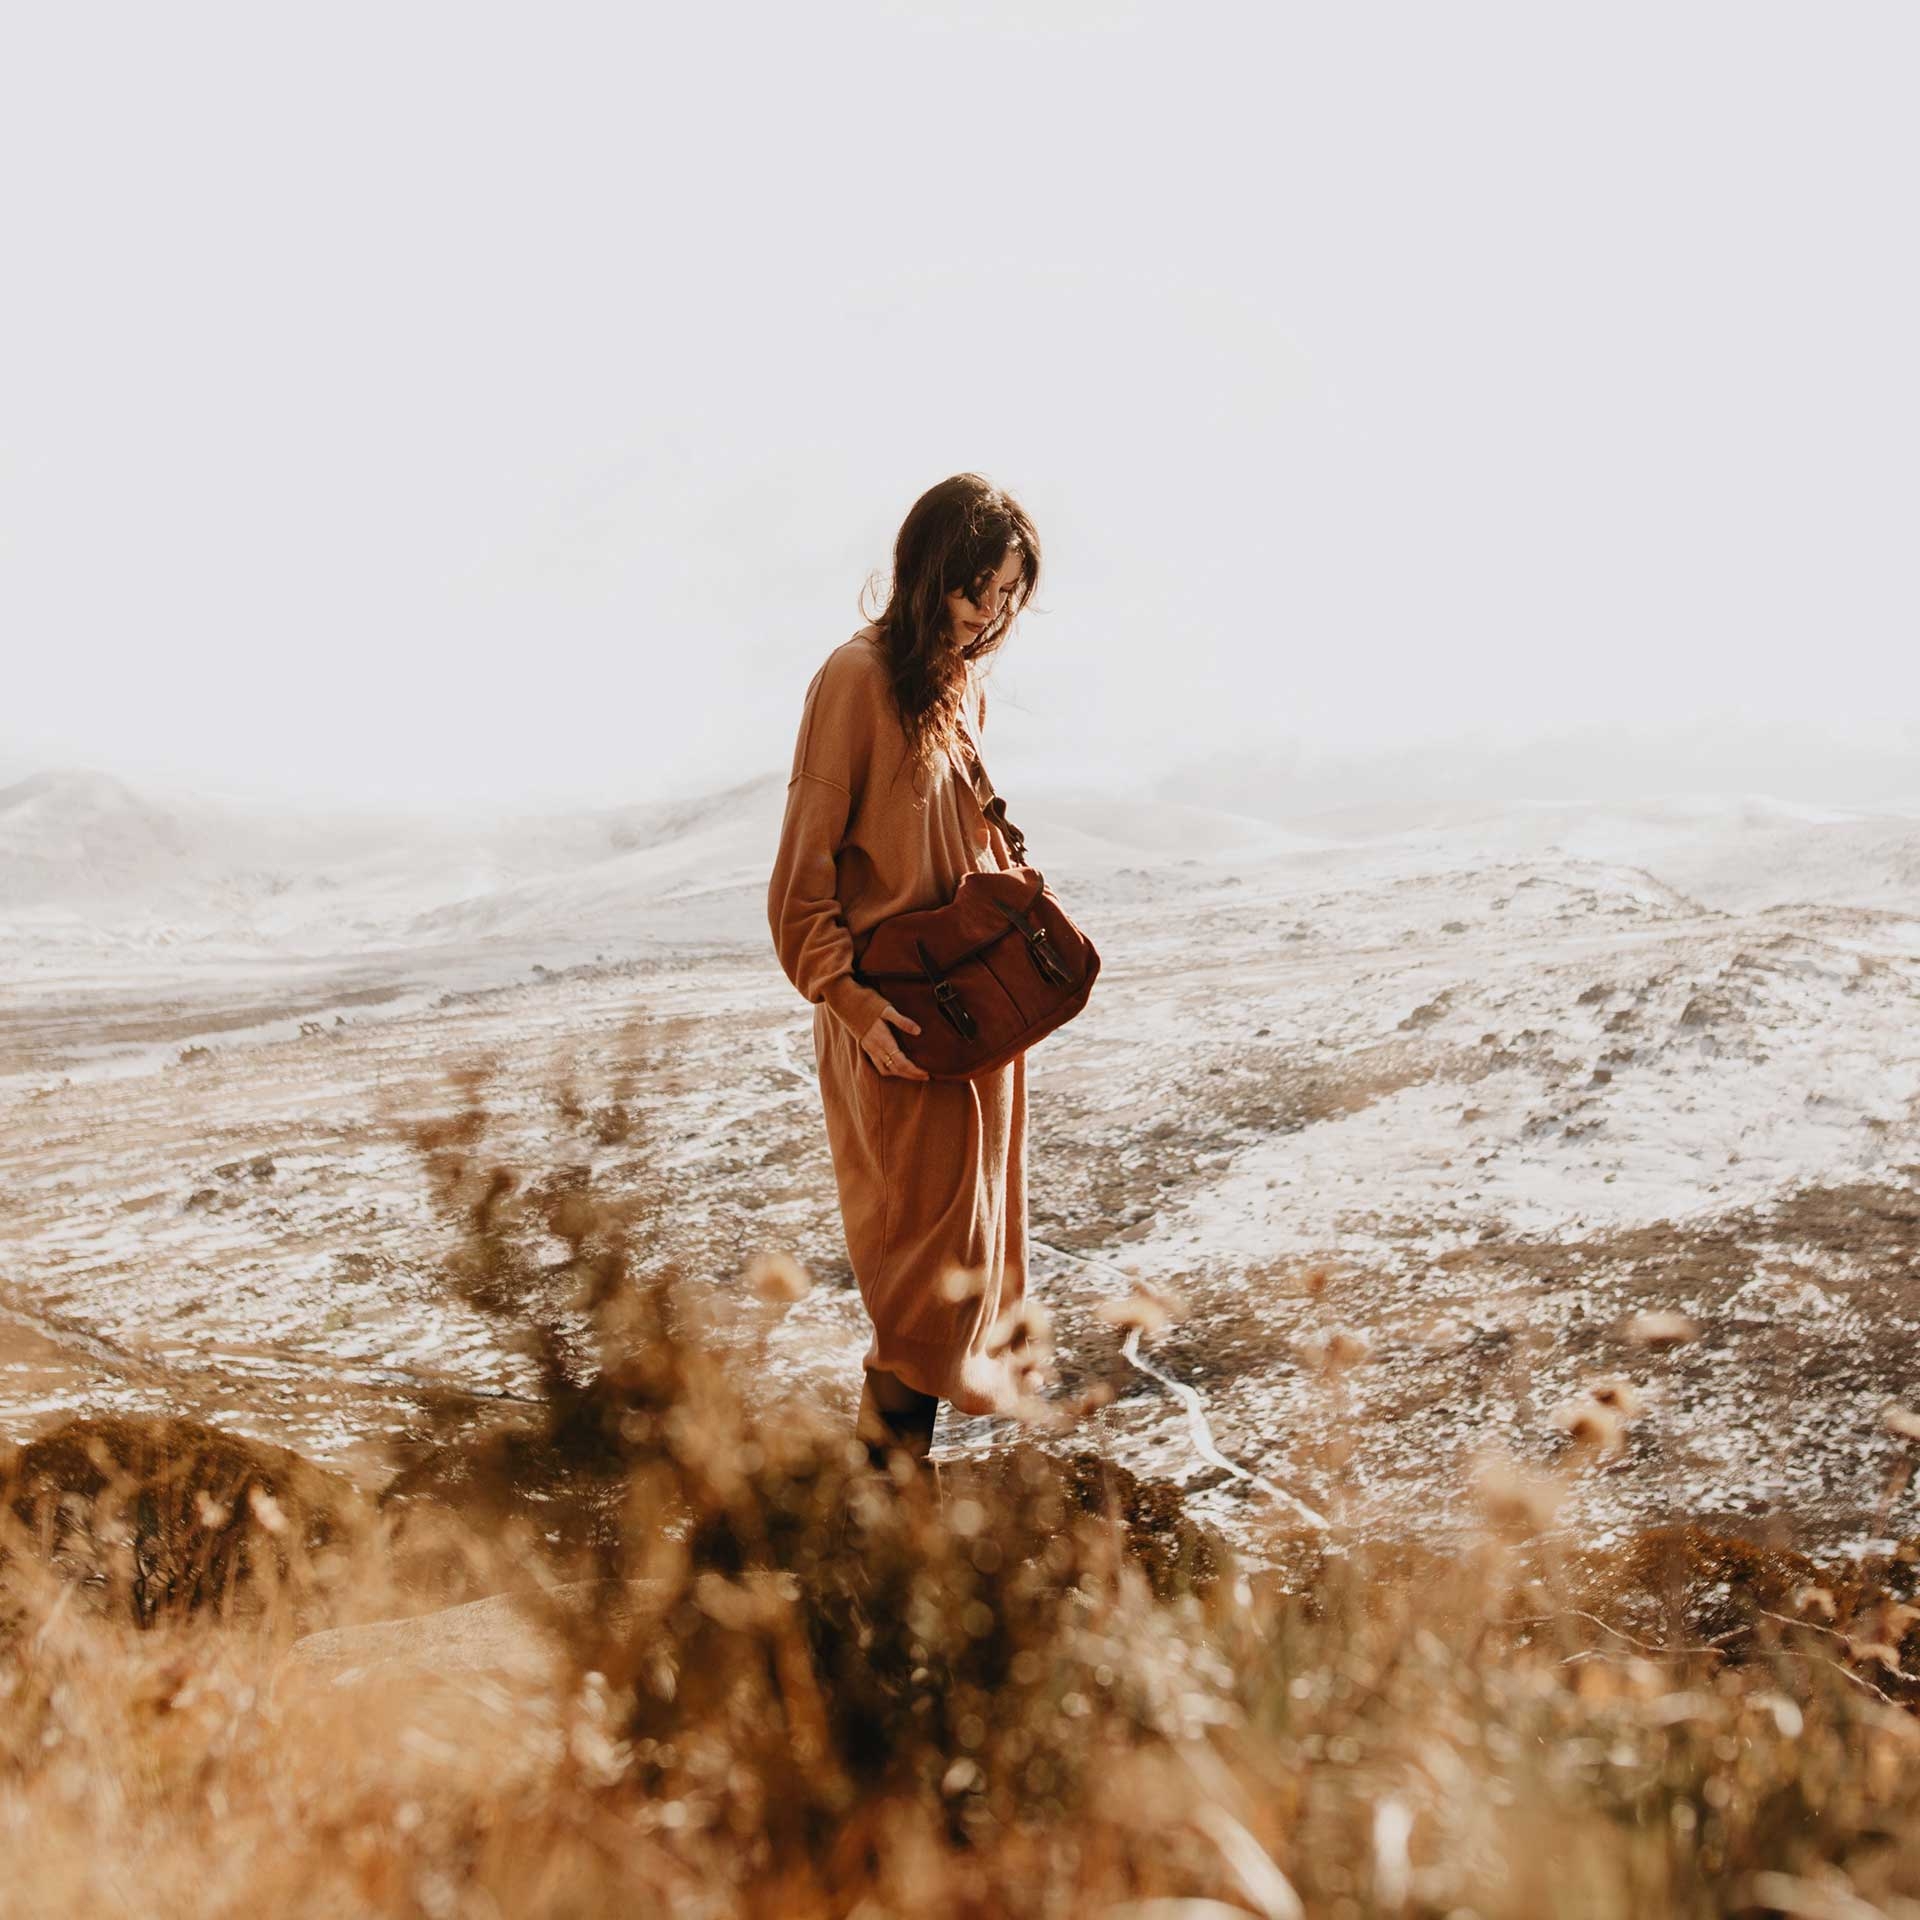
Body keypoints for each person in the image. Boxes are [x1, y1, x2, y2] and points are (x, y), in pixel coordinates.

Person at [767, 473, 1043, 1473]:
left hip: (969, 1019)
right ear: (929, 573)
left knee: (962, 1271)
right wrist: (852, 1002)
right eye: (980, 589)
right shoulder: (853, 679)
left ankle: (892, 1527)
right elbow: (800, 890)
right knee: (920, 1289)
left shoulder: (958, 688)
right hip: (893, 1022)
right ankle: (885, 1524)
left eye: (1010, 596)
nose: (991, 616)